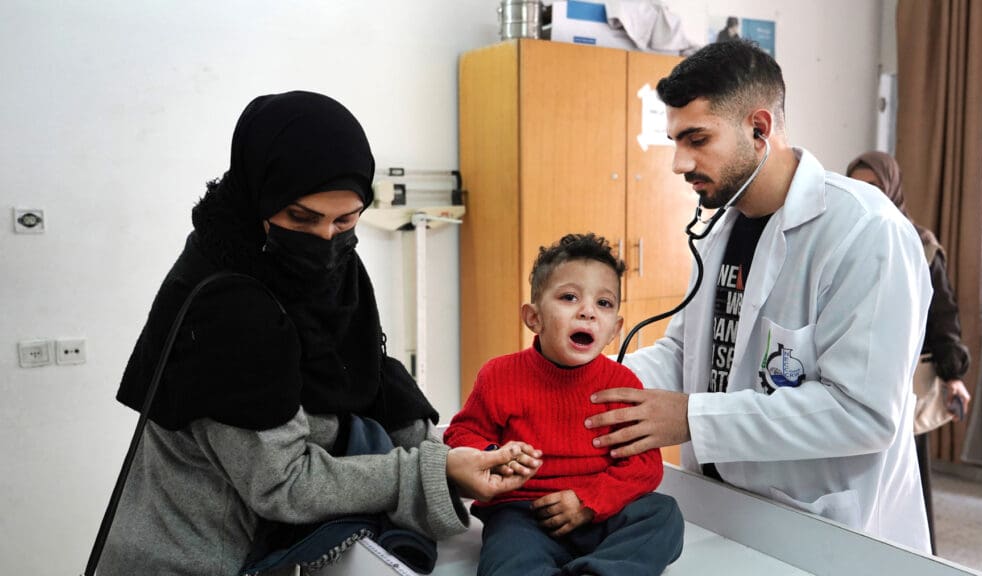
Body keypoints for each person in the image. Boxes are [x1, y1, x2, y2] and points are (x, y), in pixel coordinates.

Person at [97, 91, 541, 575]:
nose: (326, 240)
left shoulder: (328, 261)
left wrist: (445, 453)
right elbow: (282, 482)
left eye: (346, 220)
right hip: (195, 558)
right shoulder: (224, 303)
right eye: (301, 218)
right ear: (258, 199)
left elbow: (365, 373)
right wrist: (434, 472)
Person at [584, 40, 933, 552]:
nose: (679, 163)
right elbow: (687, 353)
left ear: (759, 128)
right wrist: (590, 390)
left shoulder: (866, 232)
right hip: (723, 508)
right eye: (675, 141)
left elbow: (863, 413)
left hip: (828, 527)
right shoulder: (723, 227)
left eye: (697, 139)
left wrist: (690, 417)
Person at [444, 233, 684, 576]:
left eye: (604, 303)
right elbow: (462, 433)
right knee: (507, 557)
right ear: (533, 318)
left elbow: (643, 466)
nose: (587, 312)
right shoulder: (499, 375)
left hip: (602, 513)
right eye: (569, 297)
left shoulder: (622, 384)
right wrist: (494, 454)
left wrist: (589, 501)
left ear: (614, 329)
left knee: (663, 515)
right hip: (523, 514)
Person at [847, 149, 972, 554]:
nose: (866, 196)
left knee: (905, 488)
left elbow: (943, 318)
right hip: (848, 379)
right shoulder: (841, 236)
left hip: (901, 387)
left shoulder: (921, 246)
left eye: (875, 187)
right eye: (858, 186)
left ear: (892, 189)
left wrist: (953, 377)